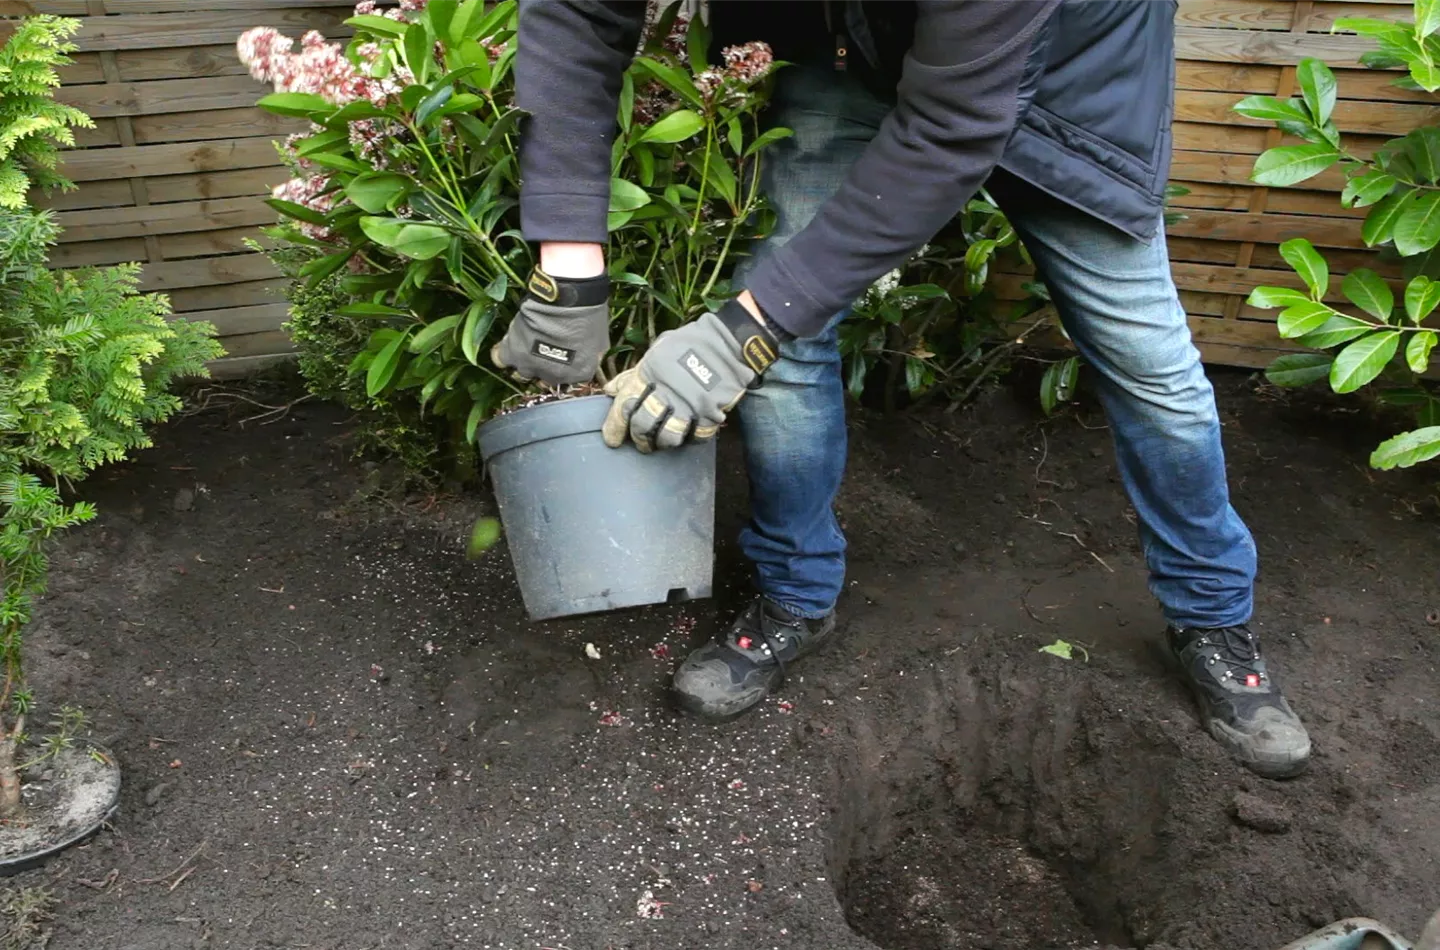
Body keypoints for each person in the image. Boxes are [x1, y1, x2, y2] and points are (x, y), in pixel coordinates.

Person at [494, 0, 1312, 779]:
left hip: (1073, 80)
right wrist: (569, 262)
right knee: (785, 337)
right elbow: (578, 13)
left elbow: (952, 129)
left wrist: (737, 333)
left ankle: (1212, 616)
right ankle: (794, 593)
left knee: (1145, 359)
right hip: (850, 49)